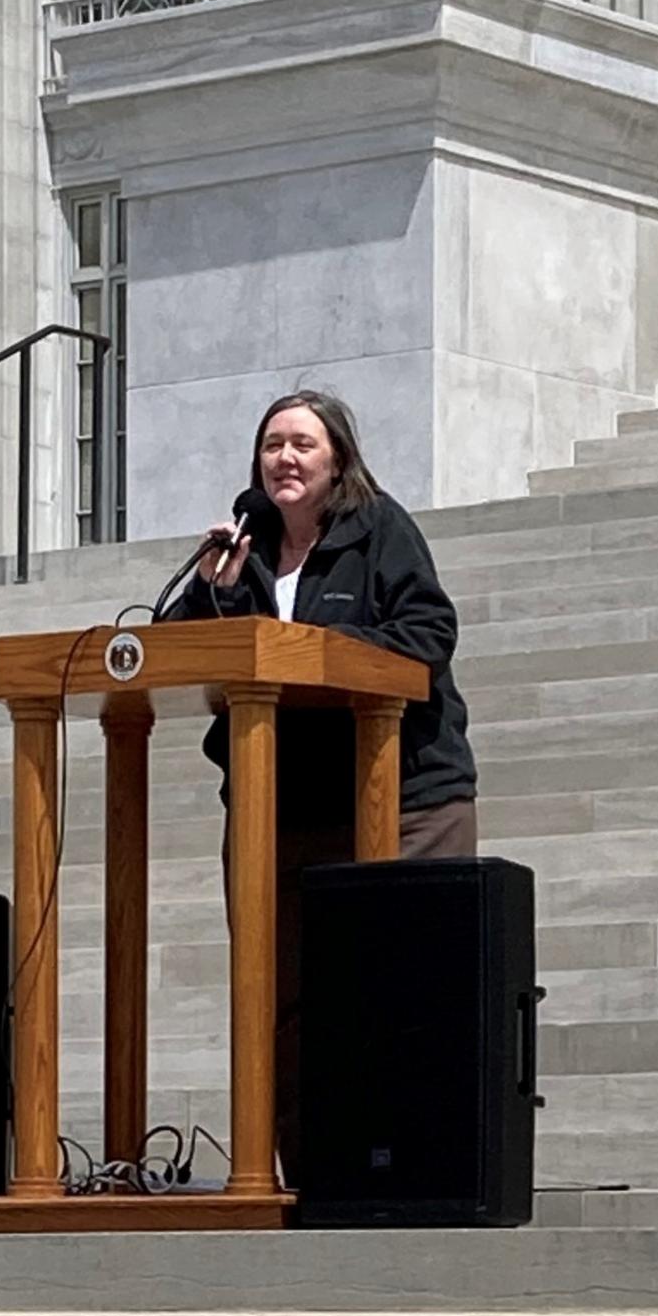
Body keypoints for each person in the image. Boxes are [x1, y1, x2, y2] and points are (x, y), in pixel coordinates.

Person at [166, 390, 478, 1179]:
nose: (286, 459)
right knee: (283, 1000)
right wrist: (217, 588)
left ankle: (407, 1171)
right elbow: (180, 648)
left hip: (399, 796)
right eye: (273, 445)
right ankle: (311, 1174)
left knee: (393, 994)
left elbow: (427, 635)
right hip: (280, 803)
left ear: (338, 455)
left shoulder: (381, 529)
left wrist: (308, 647)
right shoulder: (248, 545)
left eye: (303, 443)